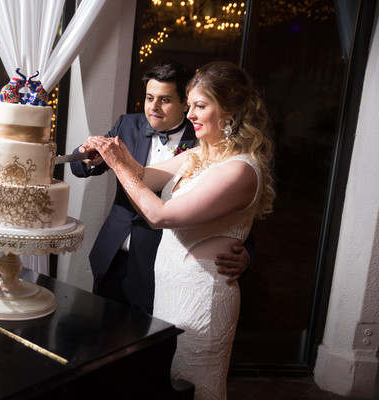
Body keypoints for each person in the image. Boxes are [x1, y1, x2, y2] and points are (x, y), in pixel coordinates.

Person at [81, 61, 275, 400]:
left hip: (202, 299)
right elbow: (142, 176)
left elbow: (159, 215)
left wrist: (118, 166)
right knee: (163, 384)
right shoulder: (198, 155)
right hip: (168, 293)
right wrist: (121, 156)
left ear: (229, 111)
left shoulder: (240, 170)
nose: (192, 114)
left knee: (194, 386)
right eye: (192, 105)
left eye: (200, 106)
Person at [70, 59, 252, 315]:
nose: (153, 107)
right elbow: (88, 168)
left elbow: (235, 214)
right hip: (113, 255)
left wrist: (246, 253)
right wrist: (89, 155)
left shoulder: (204, 139)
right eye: (148, 98)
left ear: (182, 102)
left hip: (160, 265)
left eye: (165, 100)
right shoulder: (129, 126)